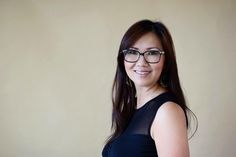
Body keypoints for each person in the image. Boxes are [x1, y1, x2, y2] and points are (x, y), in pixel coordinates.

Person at [102, 19, 197, 157]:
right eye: (132, 52)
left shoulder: (167, 111)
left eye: (152, 53)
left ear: (166, 62)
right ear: (123, 59)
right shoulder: (131, 106)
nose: (141, 62)